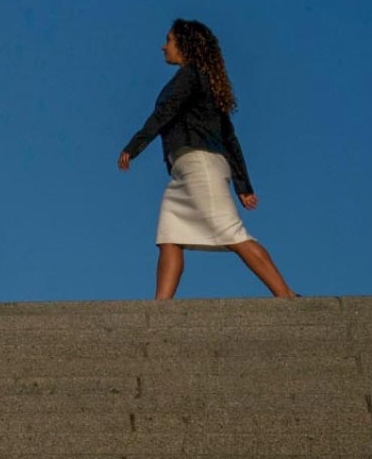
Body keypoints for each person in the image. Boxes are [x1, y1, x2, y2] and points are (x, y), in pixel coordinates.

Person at [118, 19, 296, 299]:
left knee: (233, 234)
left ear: (185, 45)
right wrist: (243, 185)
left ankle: (285, 295)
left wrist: (134, 146)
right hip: (186, 171)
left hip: (200, 166)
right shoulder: (203, 82)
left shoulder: (190, 76)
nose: (164, 46)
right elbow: (229, 137)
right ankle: (159, 310)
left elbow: (166, 114)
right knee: (170, 237)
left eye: (169, 40)